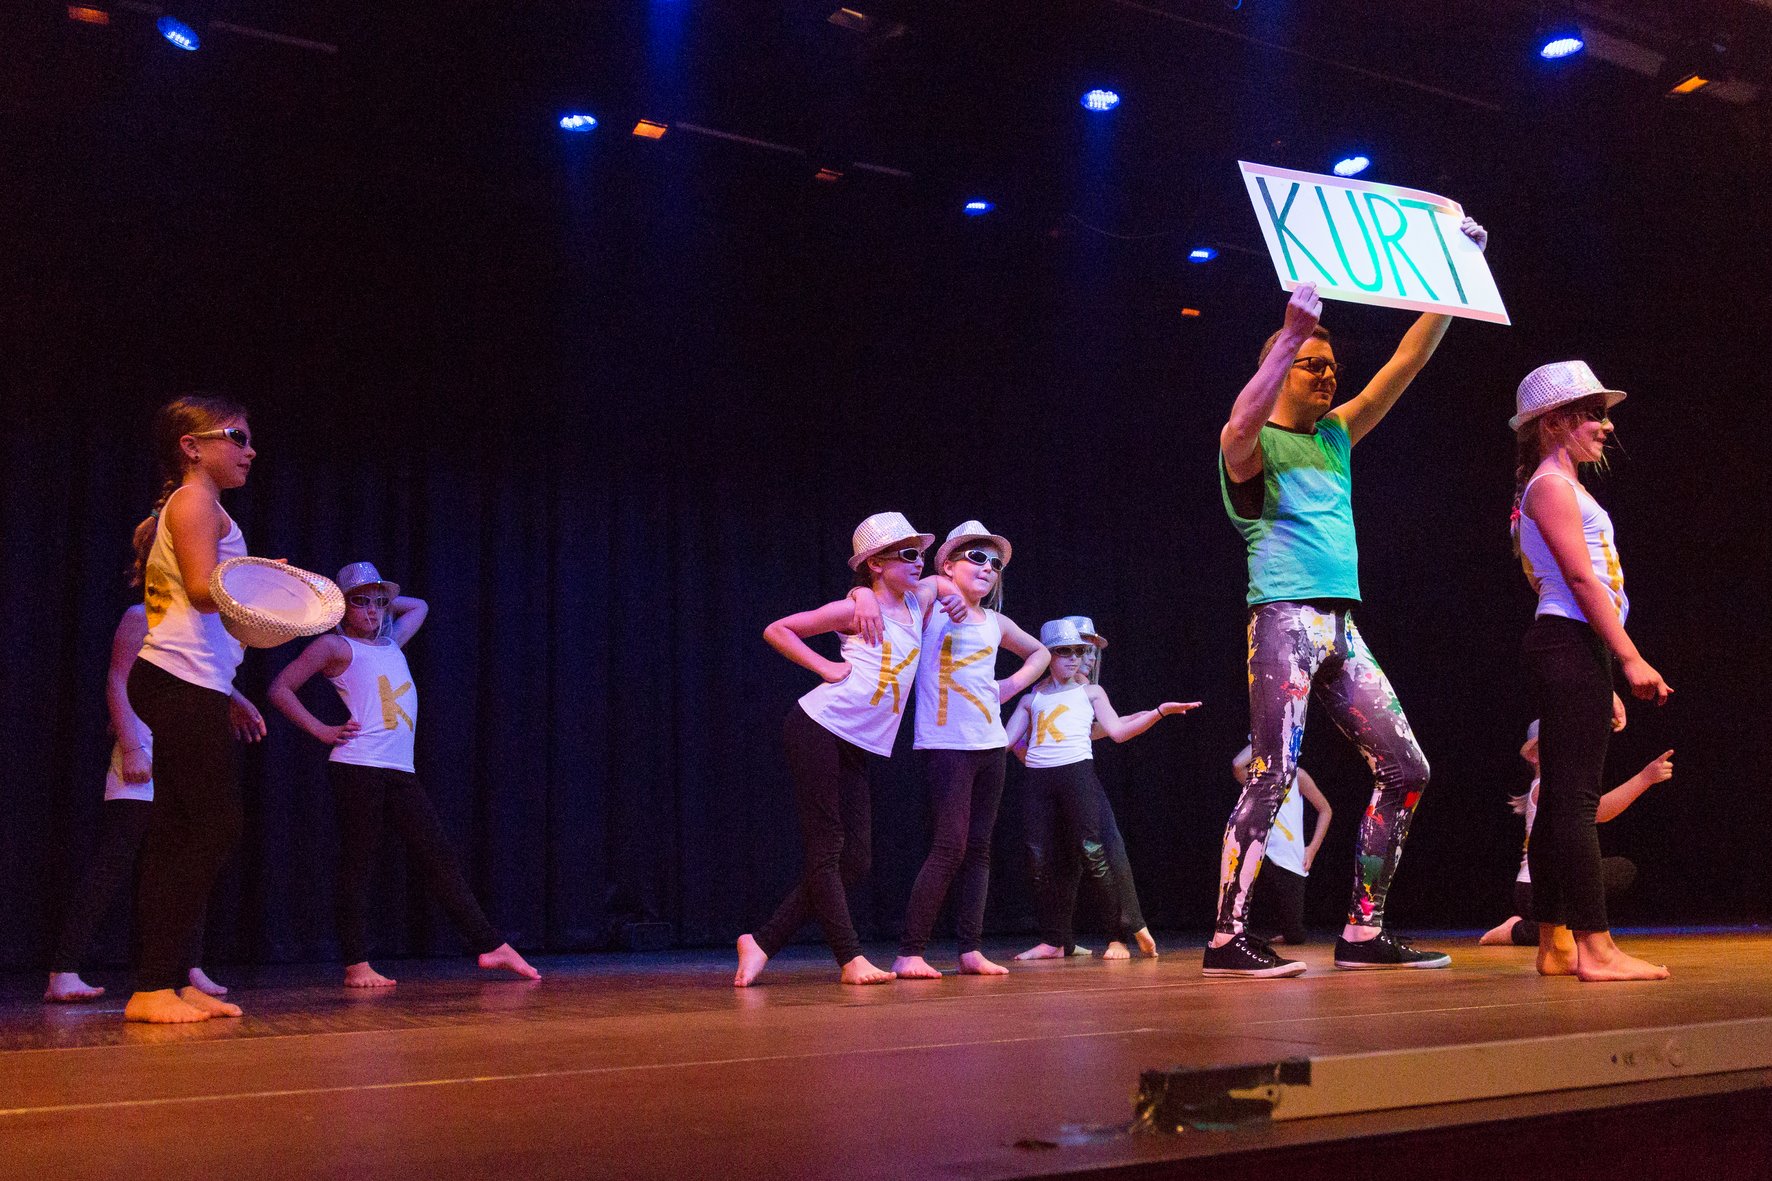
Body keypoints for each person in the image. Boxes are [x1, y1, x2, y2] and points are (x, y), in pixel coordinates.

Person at [1210, 215, 1487, 979]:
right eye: (1311, 364)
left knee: (1407, 768)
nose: (1327, 376)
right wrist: (1288, 337)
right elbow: (1238, 423)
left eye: (1331, 365)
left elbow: (1406, 361)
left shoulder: (1334, 435)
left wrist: (1456, 275)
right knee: (1274, 770)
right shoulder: (1251, 445)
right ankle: (1227, 936)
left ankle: (1364, 929)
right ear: (1279, 370)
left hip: (1340, 627)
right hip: (1284, 621)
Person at [267, 563, 538, 988]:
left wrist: (380, 598)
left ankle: (490, 944)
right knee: (358, 864)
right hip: (359, 766)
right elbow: (279, 688)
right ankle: (356, 964)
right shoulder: (334, 646)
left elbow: (420, 606)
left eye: (379, 603)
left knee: (437, 856)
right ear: (341, 607)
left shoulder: (391, 642)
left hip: (398, 770)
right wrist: (321, 729)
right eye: (361, 602)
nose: (373, 611)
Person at [736, 513, 950, 987]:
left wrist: (880, 591)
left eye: (920, 553)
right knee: (828, 848)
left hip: (856, 740)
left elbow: (940, 581)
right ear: (875, 563)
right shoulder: (854, 610)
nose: (919, 562)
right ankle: (850, 958)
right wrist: (826, 666)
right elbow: (778, 630)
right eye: (908, 554)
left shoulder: (915, 602)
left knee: (856, 860)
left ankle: (762, 942)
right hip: (818, 726)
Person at [1509, 361, 1672, 980]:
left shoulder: (1557, 485)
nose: (1607, 426)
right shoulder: (1551, 486)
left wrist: (1604, 670)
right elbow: (1580, 579)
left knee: (1560, 802)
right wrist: (1627, 657)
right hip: (1570, 640)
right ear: (1554, 421)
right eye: (1594, 415)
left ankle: (1555, 943)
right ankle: (1596, 948)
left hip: (1575, 647)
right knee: (1575, 802)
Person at [120, 395, 265, 1023]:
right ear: (192, 447)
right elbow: (206, 592)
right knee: (212, 826)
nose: (249, 450)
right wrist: (263, 584)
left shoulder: (197, 505)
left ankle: (168, 981)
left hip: (191, 680)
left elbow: (196, 607)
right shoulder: (194, 500)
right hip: (178, 680)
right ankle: (154, 985)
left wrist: (229, 691)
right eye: (237, 437)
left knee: (181, 831)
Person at [45, 596, 261, 1003]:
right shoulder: (141, 615)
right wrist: (131, 747)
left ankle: (187, 968)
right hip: (143, 750)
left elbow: (200, 673)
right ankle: (64, 969)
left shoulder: (203, 623)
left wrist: (236, 697)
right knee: (115, 861)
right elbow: (118, 680)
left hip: (184, 754)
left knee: (191, 857)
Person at [880, 521, 1049, 978]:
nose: (988, 568)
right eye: (977, 558)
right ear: (950, 565)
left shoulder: (995, 622)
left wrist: (1010, 685)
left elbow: (1040, 654)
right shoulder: (930, 605)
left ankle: (970, 949)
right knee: (948, 847)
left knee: (979, 850)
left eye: (995, 564)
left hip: (990, 745)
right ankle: (909, 952)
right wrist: (942, 588)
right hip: (946, 745)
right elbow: (920, 587)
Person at [1006, 620, 1196, 961]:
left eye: (1079, 652)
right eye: (1065, 651)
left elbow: (1116, 730)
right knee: (1040, 859)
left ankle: (1117, 936)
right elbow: (1006, 742)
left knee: (1095, 852)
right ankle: (1054, 940)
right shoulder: (1032, 698)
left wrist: (1157, 713)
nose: (1076, 658)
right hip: (1039, 778)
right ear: (1047, 656)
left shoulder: (1091, 692)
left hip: (1076, 773)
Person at [1479, 721, 1671, 947]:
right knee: (1562, 934)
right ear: (1534, 756)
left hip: (1553, 884)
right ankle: (1517, 930)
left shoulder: (1556, 787)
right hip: (1536, 889)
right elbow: (1599, 811)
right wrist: (1644, 778)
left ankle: (1553, 926)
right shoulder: (1544, 788)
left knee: (1619, 869)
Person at [1232, 744, 1330, 946]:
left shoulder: (1297, 776)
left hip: (1289, 857)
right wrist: (1264, 738)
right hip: (1259, 851)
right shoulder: (1258, 779)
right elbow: (1237, 765)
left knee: (1295, 935)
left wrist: (1312, 848)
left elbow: (1325, 810)